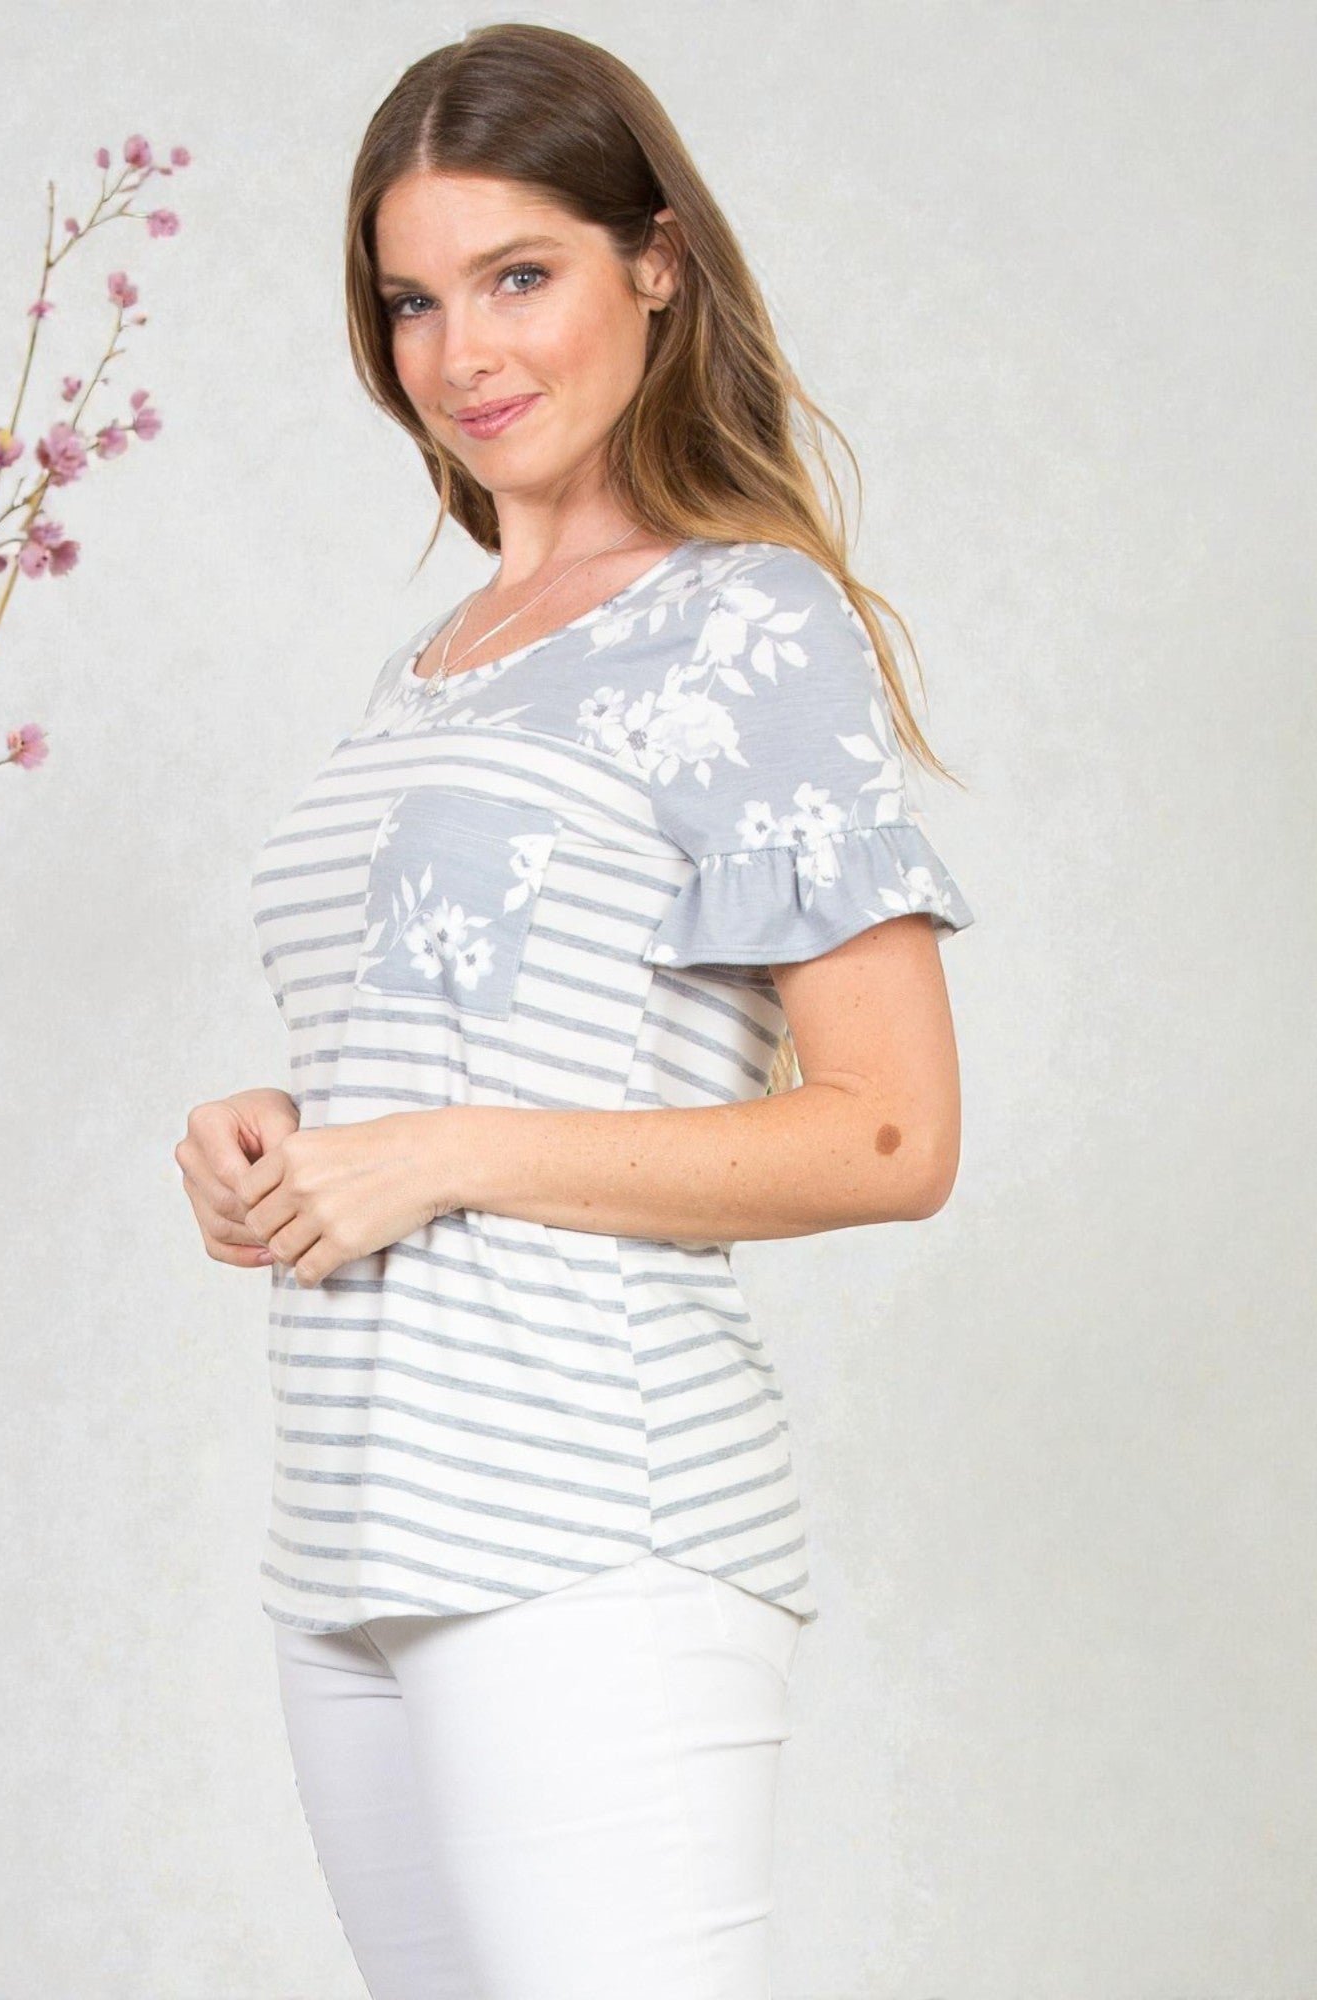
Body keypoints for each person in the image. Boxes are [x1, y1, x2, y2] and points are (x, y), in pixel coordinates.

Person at [174, 22, 975, 2000]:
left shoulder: (741, 623)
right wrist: (283, 1133)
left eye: (516, 273)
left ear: (655, 262)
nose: (462, 352)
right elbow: (487, 1030)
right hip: (349, 1526)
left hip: (587, 1523)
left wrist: (440, 1156)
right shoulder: (431, 662)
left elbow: (891, 1129)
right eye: (412, 300)